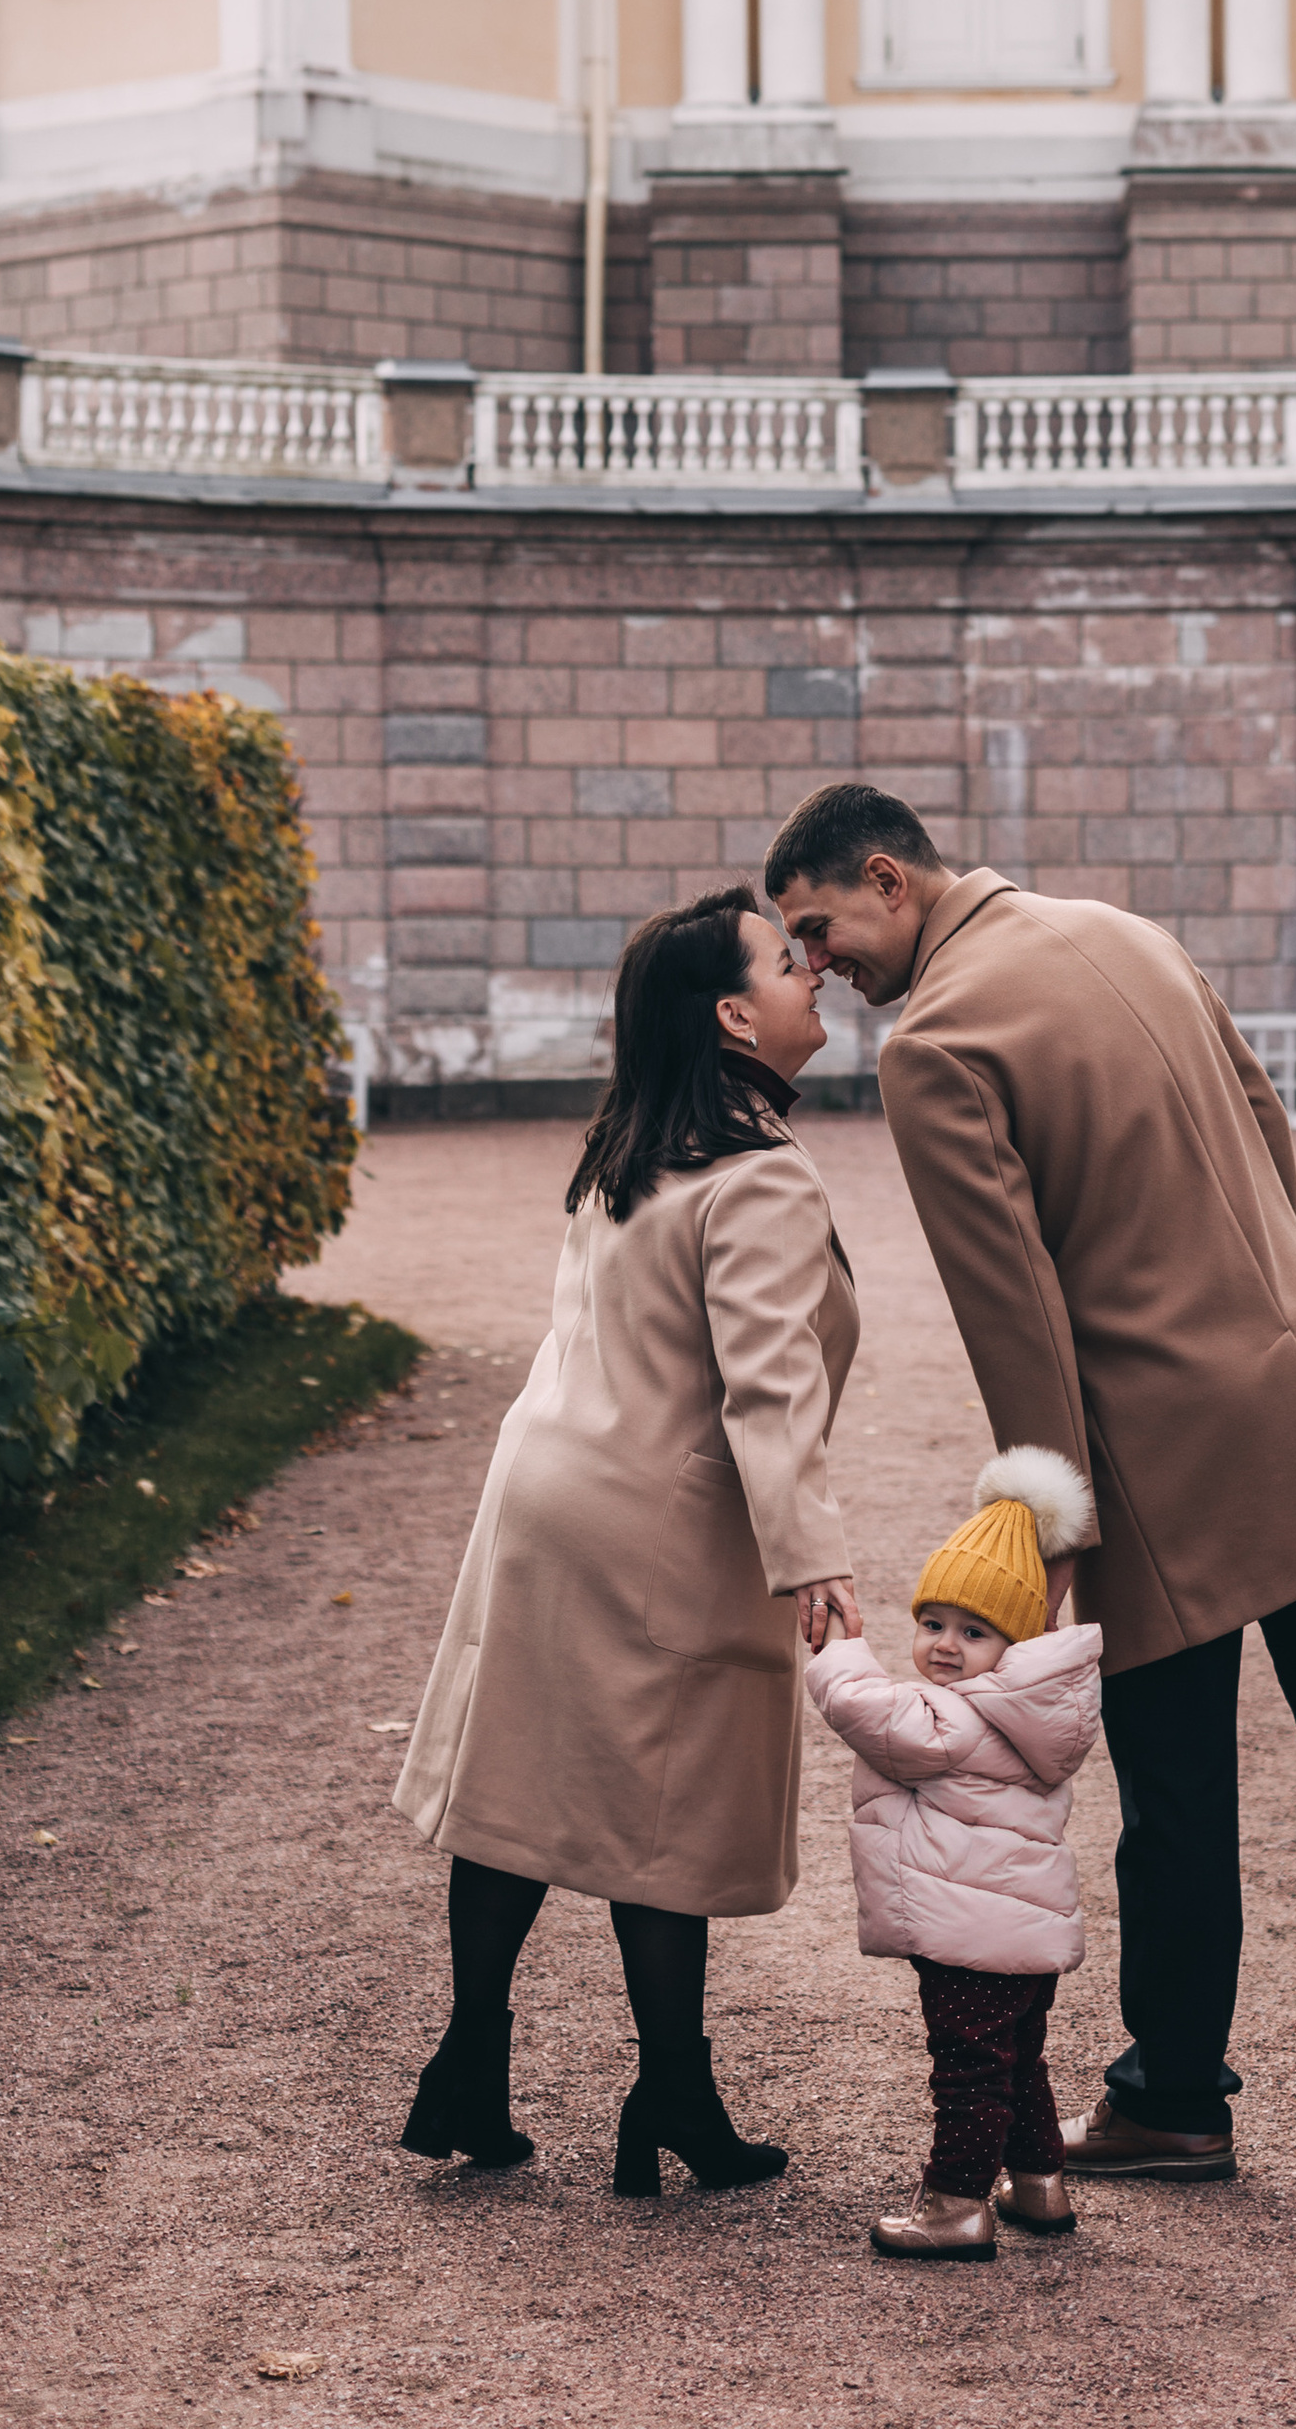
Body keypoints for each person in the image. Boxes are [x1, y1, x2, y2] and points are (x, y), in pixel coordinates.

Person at [767, 783, 1296, 2179]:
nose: (816, 964)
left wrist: (1046, 1524)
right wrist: (1263, 1302)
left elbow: (1014, 1309)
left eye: (819, 927)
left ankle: (1173, 2097)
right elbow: (1265, 1128)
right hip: (1294, 1384)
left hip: (1154, 1445)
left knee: (1176, 1793)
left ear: (887, 879)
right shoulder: (1120, 928)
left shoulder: (936, 1045)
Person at [392, 883, 862, 2195]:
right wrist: (811, 1552)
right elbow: (768, 1384)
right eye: (785, 961)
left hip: (548, 1494)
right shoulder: (757, 1175)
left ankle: (471, 2064)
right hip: (658, 1519)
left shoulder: (634, 1145)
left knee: (520, 1784)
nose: (811, 972)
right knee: (667, 1806)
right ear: (732, 1015)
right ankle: (671, 2093)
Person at [806, 1447, 1103, 2261]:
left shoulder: (959, 1719)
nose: (945, 1646)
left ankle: (956, 2204)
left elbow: (866, 1710)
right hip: (1018, 1933)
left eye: (974, 1633)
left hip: (973, 1936)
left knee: (968, 2070)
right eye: (933, 1623)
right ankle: (1039, 2185)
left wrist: (840, 1647)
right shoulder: (1030, 1708)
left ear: (1016, 1643)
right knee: (1020, 2061)